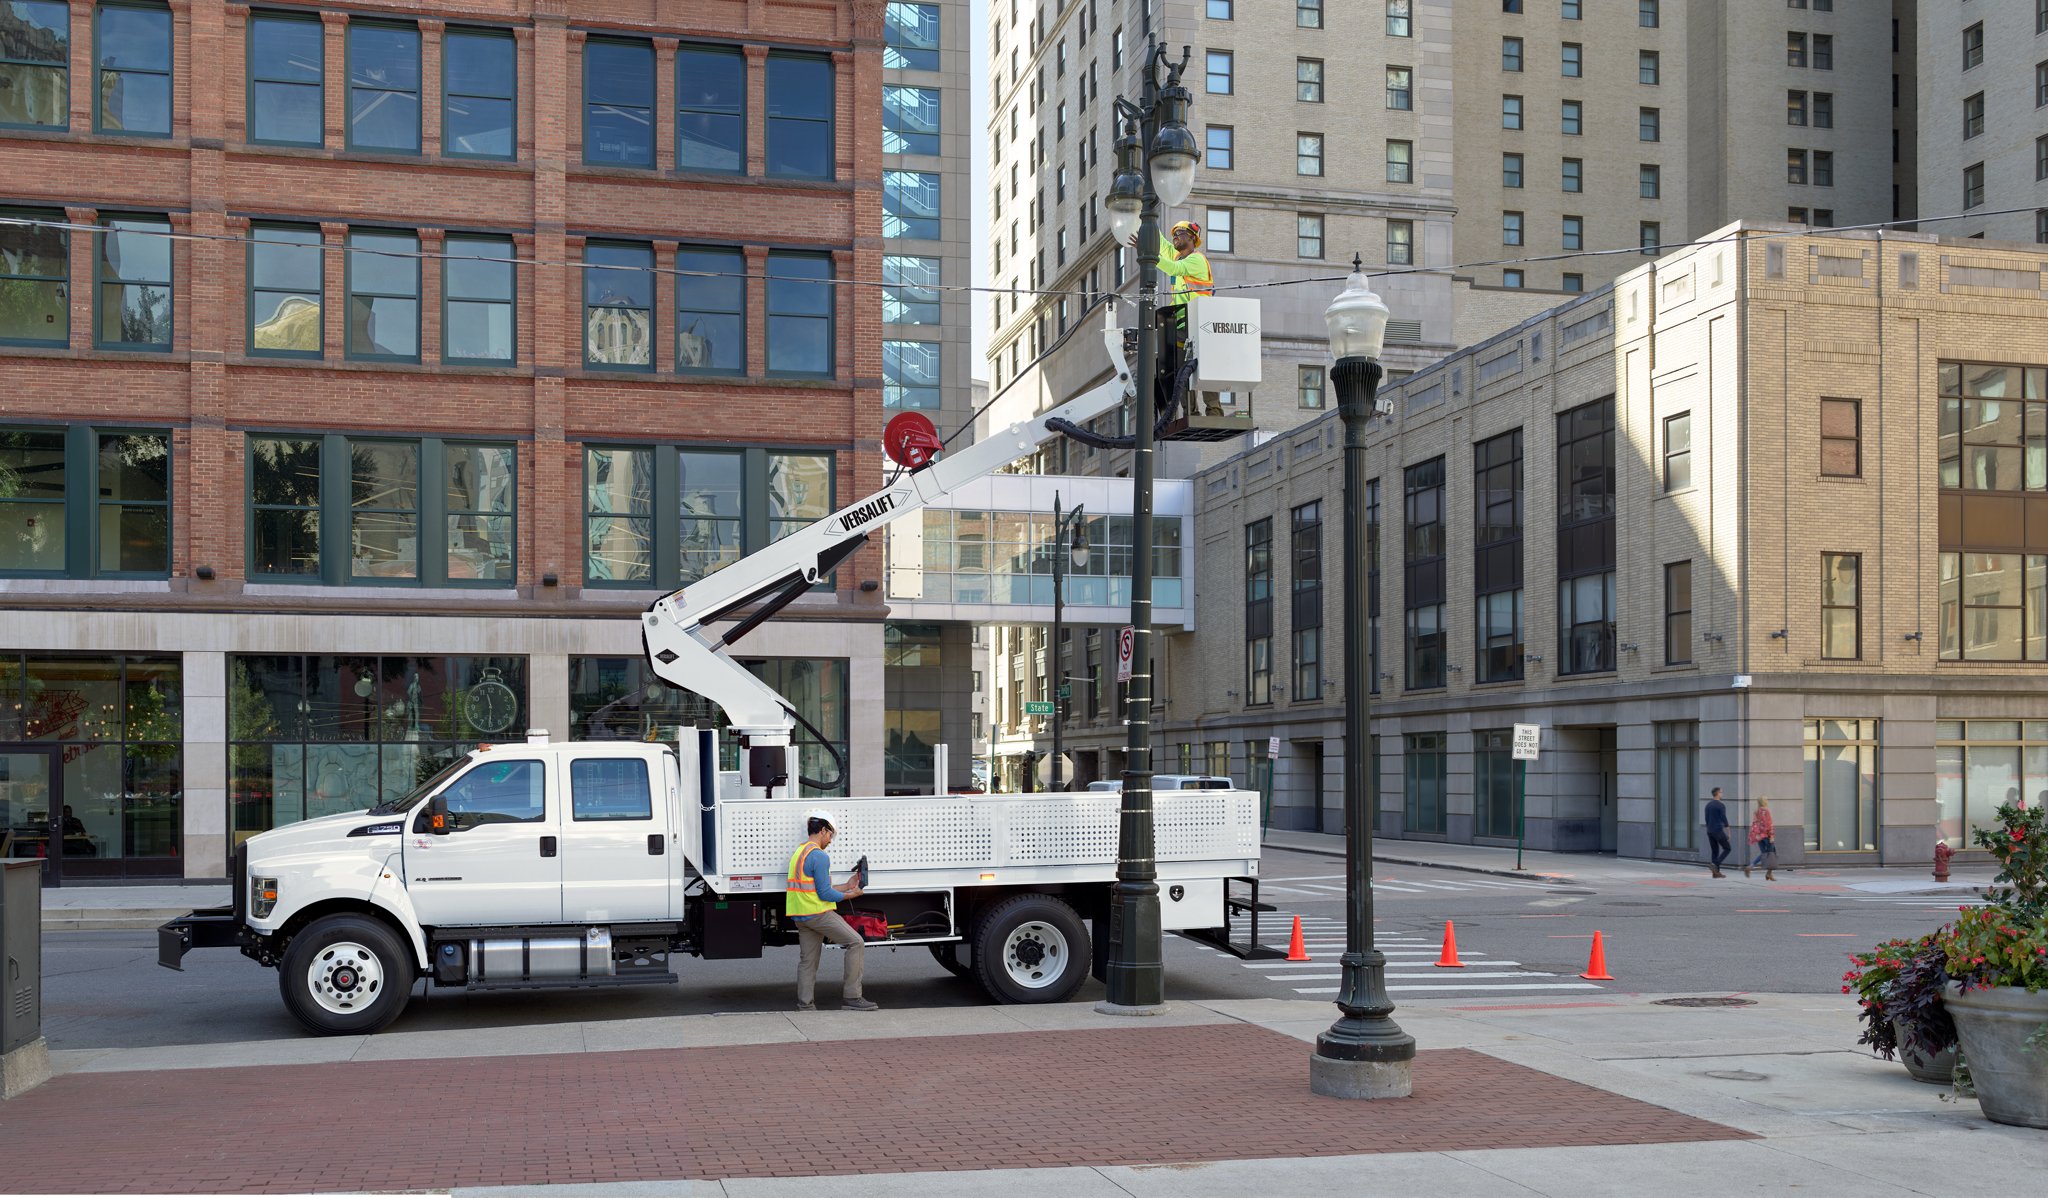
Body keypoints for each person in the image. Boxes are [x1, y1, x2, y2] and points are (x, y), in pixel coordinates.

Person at [785, 809, 879, 1012]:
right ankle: (853, 997)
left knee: (807, 961)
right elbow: (825, 894)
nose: (830, 840)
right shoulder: (819, 856)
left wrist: (846, 886)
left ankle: (805, 1005)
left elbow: (818, 888)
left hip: (801, 916)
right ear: (823, 830)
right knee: (856, 942)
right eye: (830, 835)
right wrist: (851, 895)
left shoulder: (799, 853)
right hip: (818, 914)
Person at [1744, 795, 1776, 881]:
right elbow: (1769, 825)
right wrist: (1771, 836)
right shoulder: (1766, 811)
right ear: (1764, 801)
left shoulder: (1756, 811)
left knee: (1764, 853)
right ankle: (1768, 873)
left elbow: (1755, 824)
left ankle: (1751, 866)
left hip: (1759, 836)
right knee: (1772, 854)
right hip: (1767, 836)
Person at [1704, 786, 1732, 879]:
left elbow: (1706, 819)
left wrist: (1709, 828)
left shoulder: (1708, 805)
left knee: (1715, 851)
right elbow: (1724, 819)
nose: (1722, 794)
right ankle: (1715, 864)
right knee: (1727, 848)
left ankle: (1716, 873)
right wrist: (1728, 832)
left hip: (1710, 830)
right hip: (1718, 830)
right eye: (1721, 792)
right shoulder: (1720, 805)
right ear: (1717, 793)